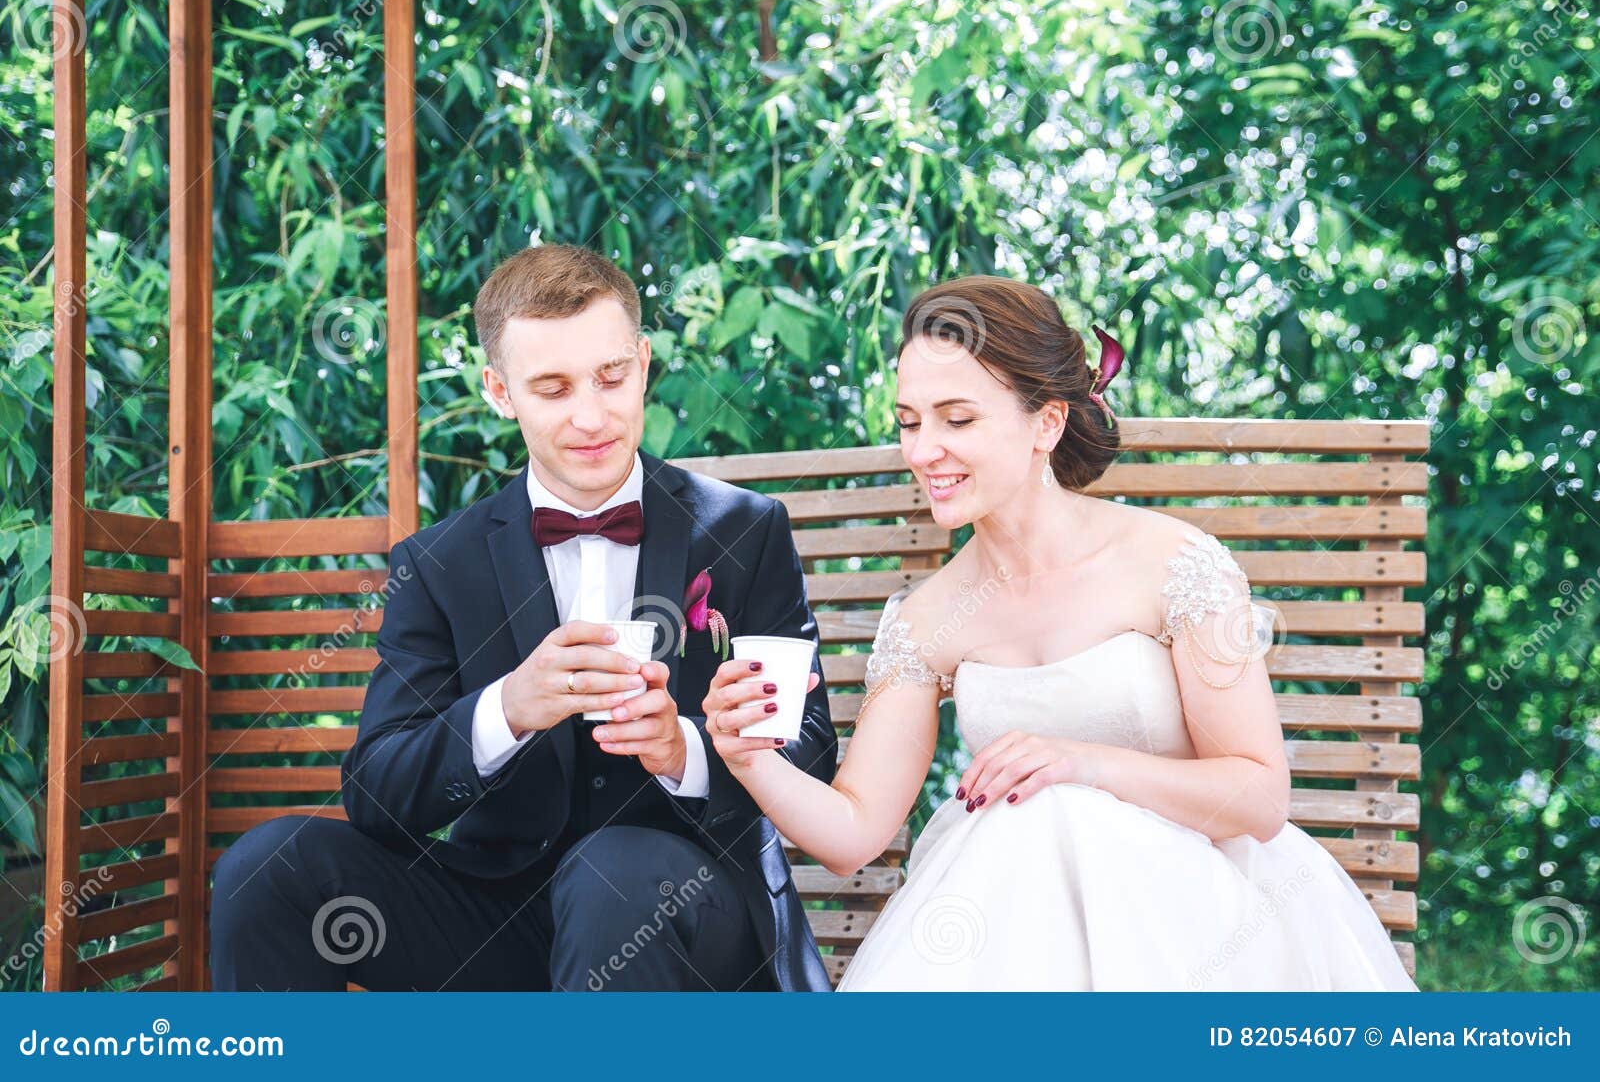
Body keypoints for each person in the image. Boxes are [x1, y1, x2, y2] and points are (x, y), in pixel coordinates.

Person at [702, 275, 1419, 990]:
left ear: (1046, 423)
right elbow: (854, 831)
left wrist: (1081, 765)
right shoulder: (925, 619)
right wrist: (748, 758)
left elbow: (1260, 798)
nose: (923, 451)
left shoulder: (1174, 565)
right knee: (1019, 837)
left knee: (1050, 816)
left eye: (957, 419)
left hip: (1197, 922)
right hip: (1013, 933)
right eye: (909, 420)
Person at [209, 244, 837, 991]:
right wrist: (505, 708)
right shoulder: (440, 563)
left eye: (610, 377)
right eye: (552, 388)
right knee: (265, 870)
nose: (590, 415)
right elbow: (376, 793)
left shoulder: (744, 529)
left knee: (612, 876)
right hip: (497, 923)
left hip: (691, 914)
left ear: (642, 364)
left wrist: (685, 752)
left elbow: (810, 752)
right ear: (499, 391)